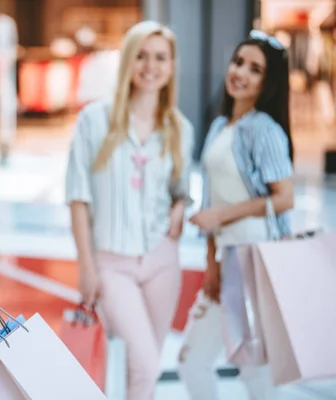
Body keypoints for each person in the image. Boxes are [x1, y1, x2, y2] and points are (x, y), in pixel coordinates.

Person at [65, 21, 194, 400]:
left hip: (162, 261)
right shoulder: (93, 120)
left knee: (143, 370)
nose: (150, 65)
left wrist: (181, 206)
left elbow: (180, 189)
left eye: (160, 57)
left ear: (171, 66)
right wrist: (86, 267)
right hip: (111, 264)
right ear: (128, 61)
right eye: (141, 55)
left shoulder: (179, 128)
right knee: (147, 363)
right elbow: (78, 198)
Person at [179, 30, 294, 399]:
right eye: (238, 62)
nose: (240, 72)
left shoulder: (265, 130)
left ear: (268, 81)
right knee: (194, 361)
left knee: (255, 368)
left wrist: (223, 216)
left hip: (256, 256)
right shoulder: (219, 126)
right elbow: (211, 200)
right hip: (226, 258)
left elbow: (285, 198)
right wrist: (210, 259)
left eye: (255, 68)